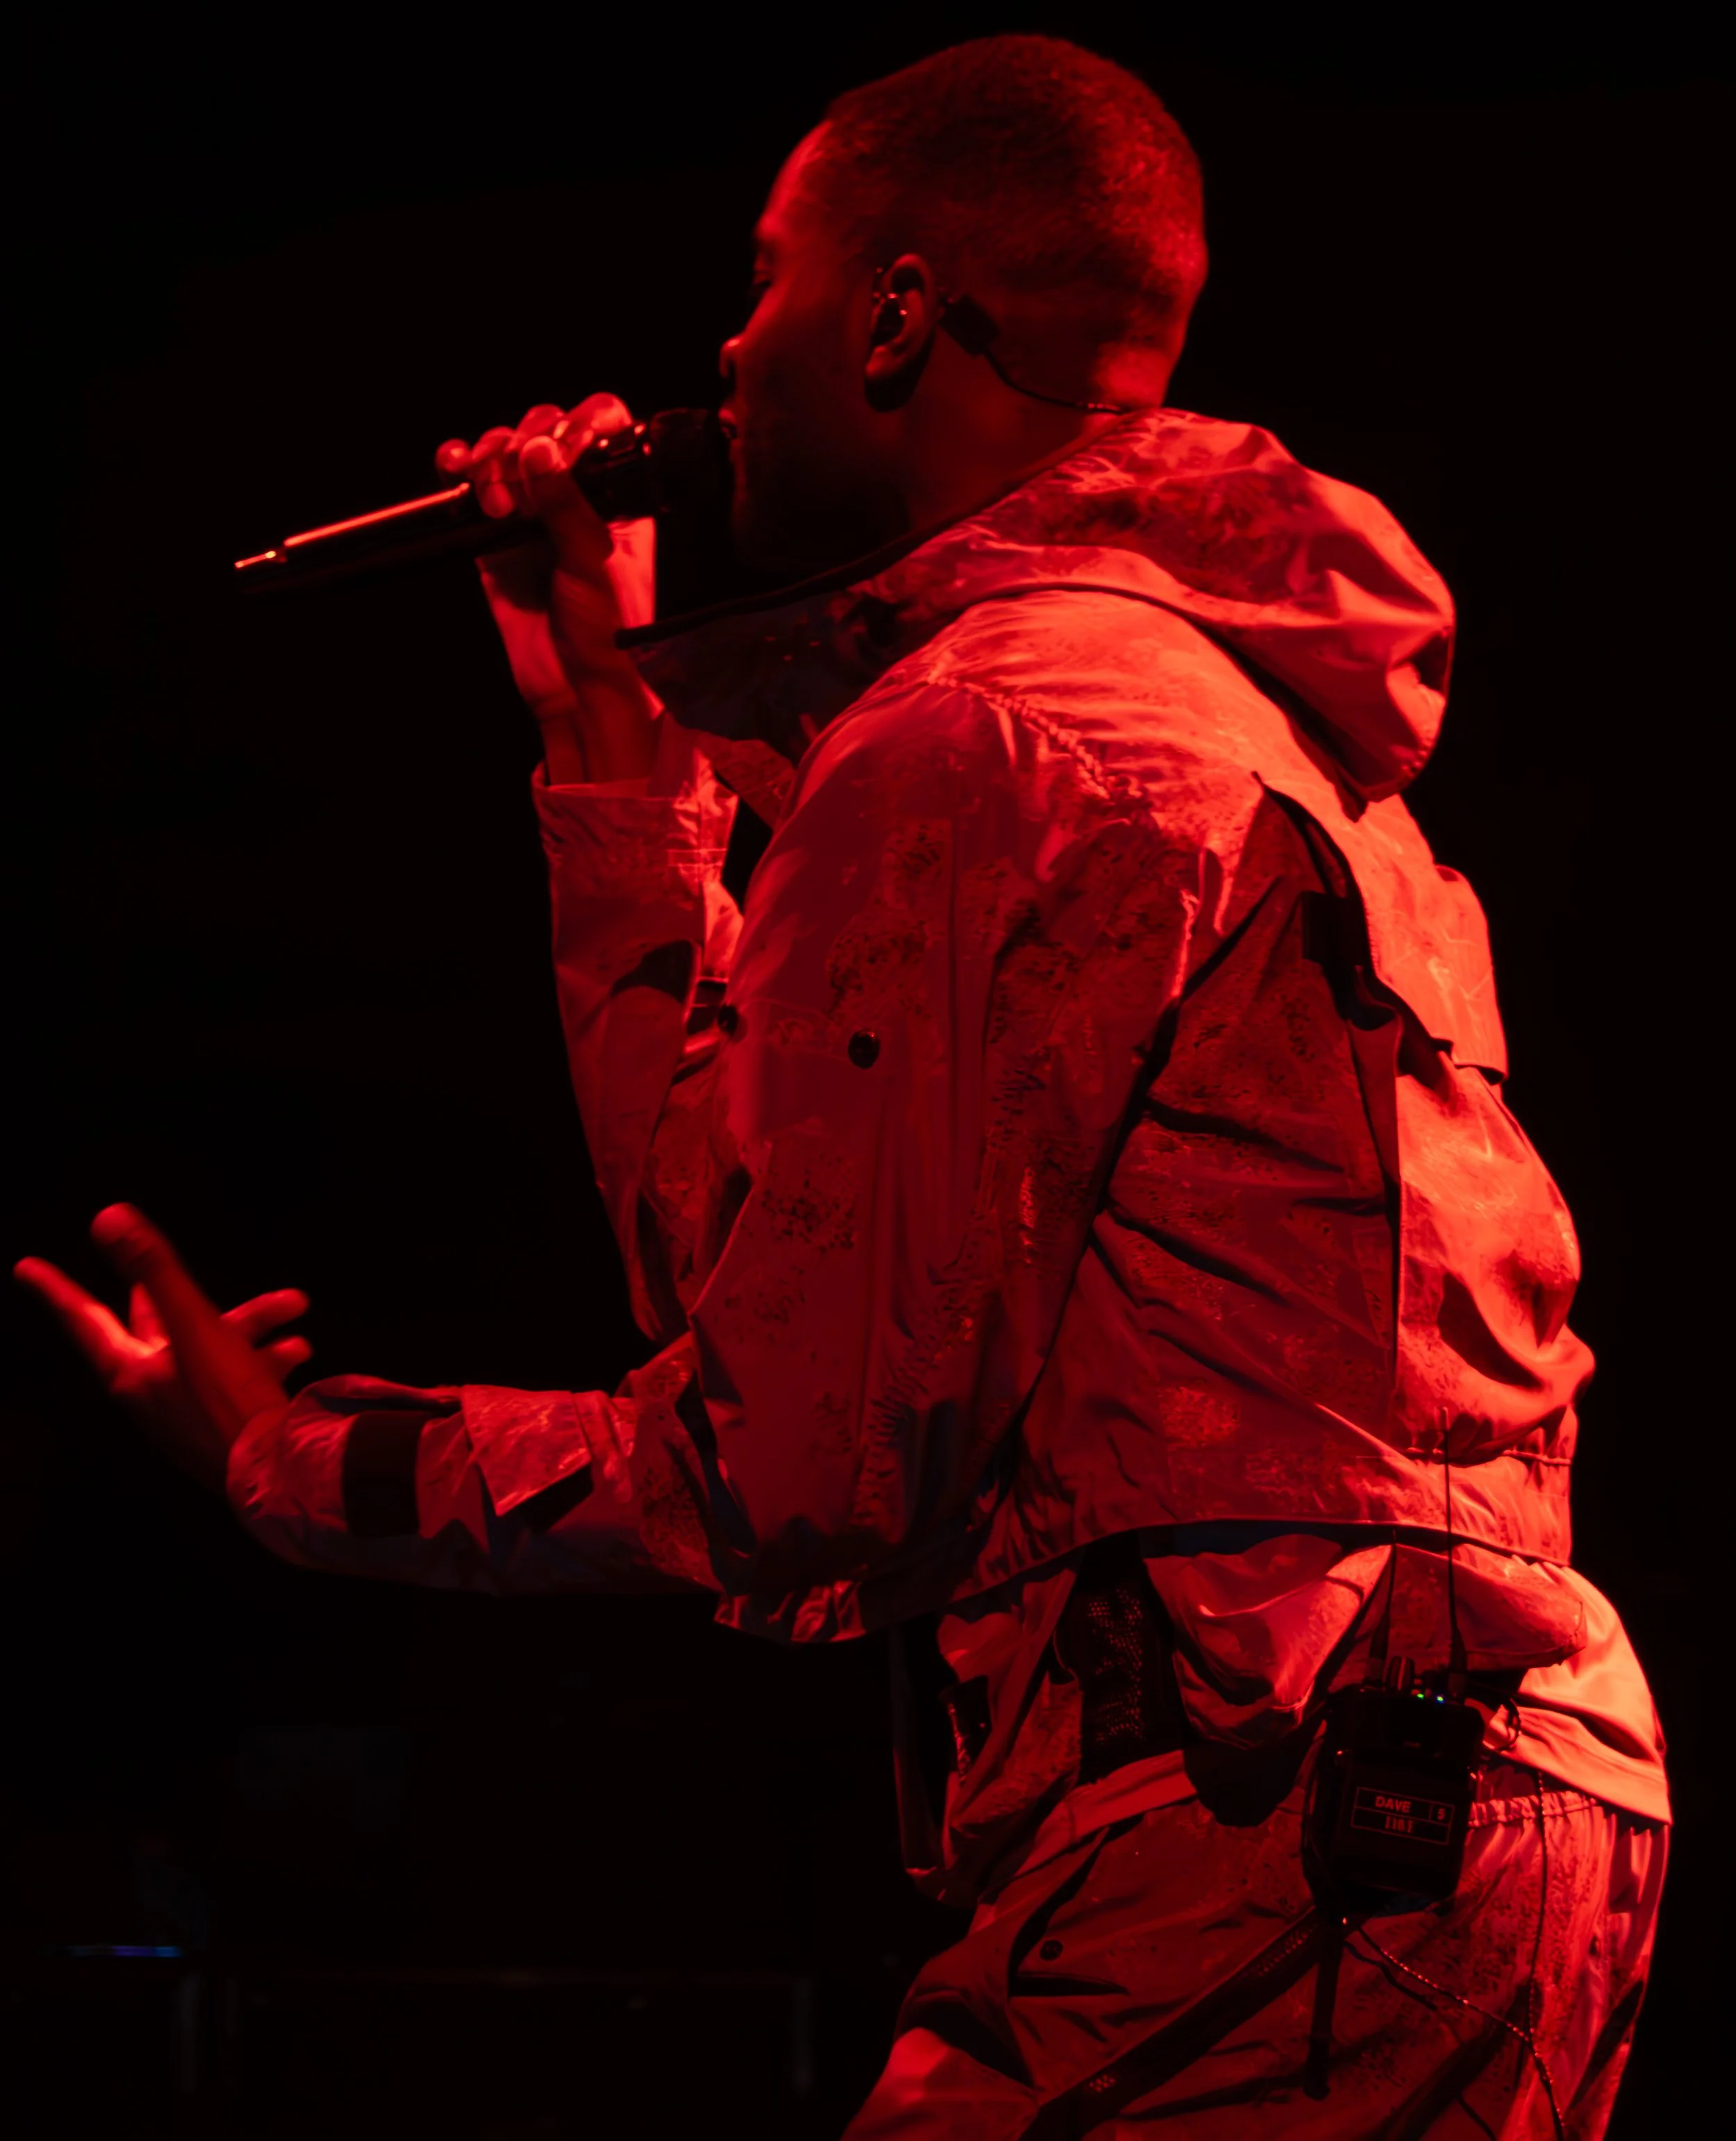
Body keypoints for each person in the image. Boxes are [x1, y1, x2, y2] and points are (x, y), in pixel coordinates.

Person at [18, 36, 1666, 2138]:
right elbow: (746, 1290)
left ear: (892, 312)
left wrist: (296, 1463)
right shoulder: (1213, 703)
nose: (726, 348)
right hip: (1418, 1799)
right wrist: (607, 730)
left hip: (1275, 1826)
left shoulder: (987, 734)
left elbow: (786, 1467)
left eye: (763, 277)